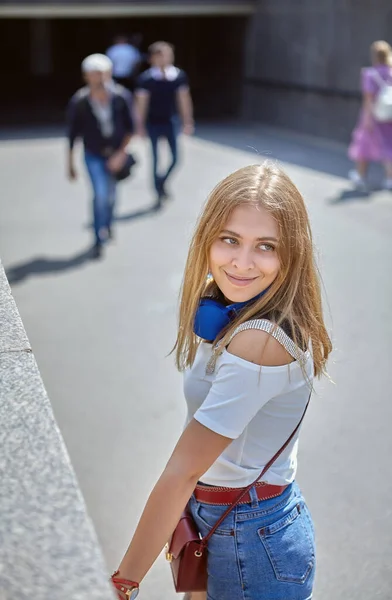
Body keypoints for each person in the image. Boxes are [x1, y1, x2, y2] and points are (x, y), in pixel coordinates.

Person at [110, 162, 332, 600]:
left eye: (265, 246)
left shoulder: (259, 339)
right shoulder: (242, 307)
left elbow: (183, 471)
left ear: (292, 253)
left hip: (246, 533)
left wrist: (124, 581)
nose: (242, 263)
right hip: (237, 518)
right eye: (230, 239)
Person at [67, 54, 134, 258]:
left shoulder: (121, 96)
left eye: (103, 73)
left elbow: (130, 127)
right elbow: (72, 135)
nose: (100, 78)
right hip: (93, 154)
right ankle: (98, 237)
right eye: (95, 74)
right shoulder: (80, 101)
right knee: (100, 194)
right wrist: (70, 164)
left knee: (112, 195)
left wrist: (121, 154)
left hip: (115, 153)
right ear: (86, 76)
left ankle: (108, 224)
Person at [135, 41, 194, 208]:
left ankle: (162, 181)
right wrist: (139, 125)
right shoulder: (146, 79)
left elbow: (183, 99)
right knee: (155, 159)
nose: (165, 59)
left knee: (175, 158)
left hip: (171, 121)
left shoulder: (178, 76)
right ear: (153, 58)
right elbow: (141, 103)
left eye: (168, 55)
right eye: (161, 55)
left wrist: (187, 120)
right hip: (153, 122)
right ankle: (157, 190)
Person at [348, 40, 392, 191]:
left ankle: (360, 175)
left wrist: (367, 120)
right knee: (388, 144)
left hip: (373, 115)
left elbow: (368, 98)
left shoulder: (369, 73)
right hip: (390, 116)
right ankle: (390, 178)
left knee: (364, 145)